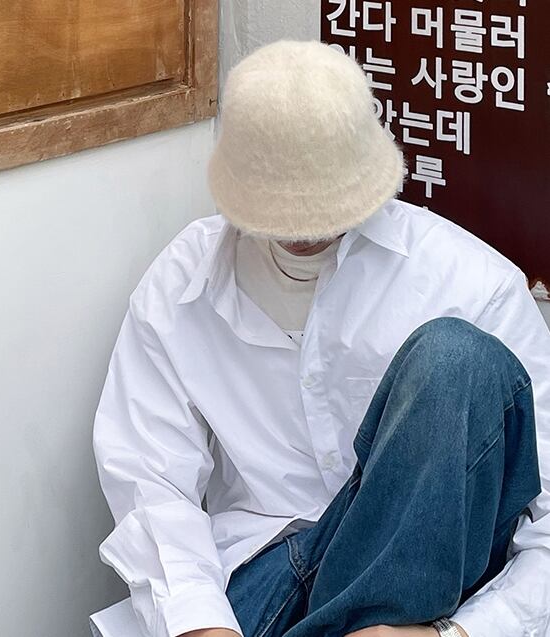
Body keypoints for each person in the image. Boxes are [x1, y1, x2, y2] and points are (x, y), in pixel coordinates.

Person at [92, 40, 550, 637]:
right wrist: (202, 626)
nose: (303, 233)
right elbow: (150, 478)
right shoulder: (183, 284)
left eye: (321, 211)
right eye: (280, 214)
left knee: (454, 360)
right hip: (263, 572)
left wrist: (459, 635)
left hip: (428, 593)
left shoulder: (468, 283)